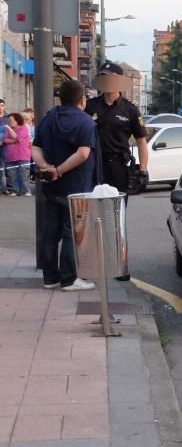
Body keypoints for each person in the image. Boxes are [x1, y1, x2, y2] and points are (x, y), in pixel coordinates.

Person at [31, 80, 97, 291]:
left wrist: (46, 167)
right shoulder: (86, 122)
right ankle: (69, 279)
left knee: (50, 230)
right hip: (76, 185)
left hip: (51, 186)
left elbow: (35, 147)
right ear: (82, 99)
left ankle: (50, 278)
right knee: (71, 232)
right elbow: (83, 153)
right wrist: (59, 171)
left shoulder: (49, 118)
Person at [85, 61, 149, 195]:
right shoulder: (90, 106)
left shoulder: (130, 110)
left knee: (116, 211)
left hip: (118, 166)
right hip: (94, 164)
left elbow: (141, 142)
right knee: (94, 210)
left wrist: (143, 171)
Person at [3, 113, 32, 196]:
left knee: (24, 175)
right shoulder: (8, 130)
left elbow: (17, 137)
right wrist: (16, 140)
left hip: (22, 156)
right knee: (13, 176)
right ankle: (16, 191)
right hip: (10, 156)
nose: (10, 122)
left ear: (17, 120)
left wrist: (9, 129)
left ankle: (27, 191)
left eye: (11, 120)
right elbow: (5, 140)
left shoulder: (24, 128)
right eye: (9, 121)